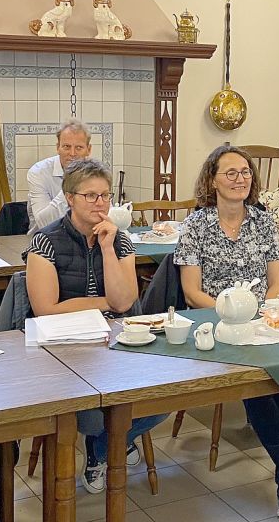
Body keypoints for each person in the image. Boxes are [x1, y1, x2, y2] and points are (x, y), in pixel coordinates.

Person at [175, 145, 279, 520]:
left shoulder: (261, 221)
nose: (240, 179)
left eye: (245, 173)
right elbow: (193, 292)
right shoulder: (196, 224)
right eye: (231, 173)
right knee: (255, 379)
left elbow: (277, 282)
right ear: (212, 180)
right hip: (214, 324)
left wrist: (261, 313)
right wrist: (231, 314)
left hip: (262, 320)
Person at [25, 158, 165, 493]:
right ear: (70, 198)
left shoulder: (119, 240)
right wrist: (106, 303)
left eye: (105, 196)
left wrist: (105, 247)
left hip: (117, 337)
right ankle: (112, 441)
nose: (100, 203)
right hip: (65, 344)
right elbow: (47, 309)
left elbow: (126, 300)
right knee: (90, 414)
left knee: (166, 395)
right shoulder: (45, 241)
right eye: (90, 196)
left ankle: (102, 449)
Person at [27, 118, 93, 234]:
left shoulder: (95, 173)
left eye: (78, 148)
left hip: (85, 241)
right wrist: (71, 184)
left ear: (88, 150)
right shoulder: (38, 172)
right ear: (58, 148)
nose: (72, 153)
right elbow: (44, 223)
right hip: (44, 242)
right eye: (67, 147)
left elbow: (106, 214)